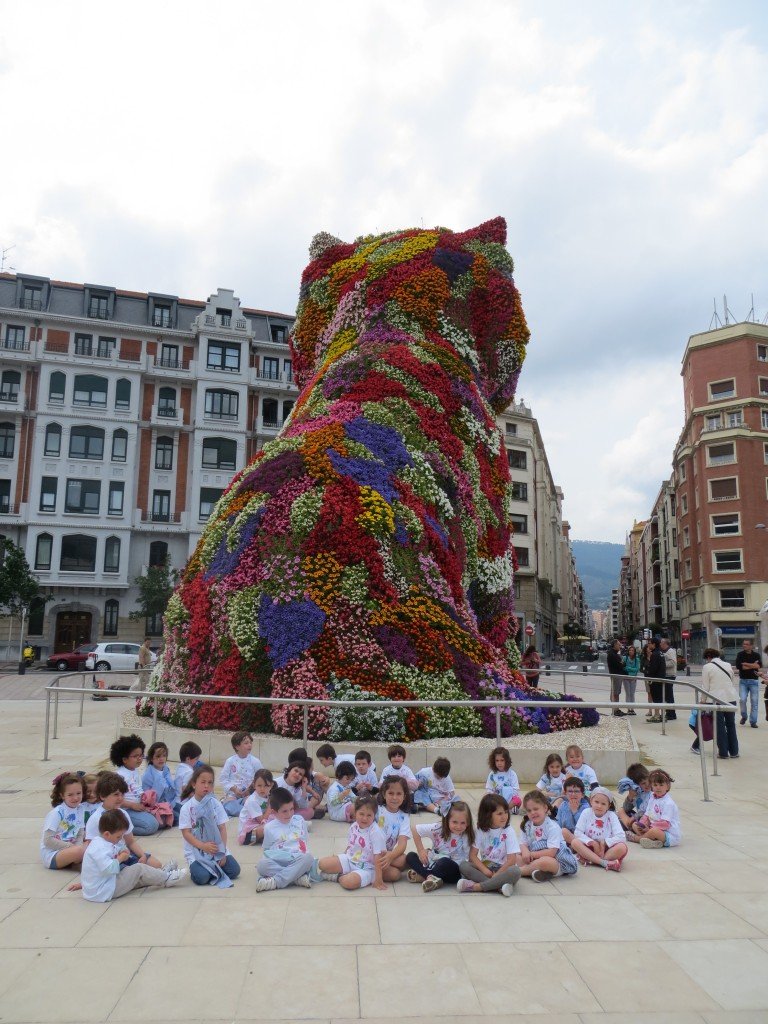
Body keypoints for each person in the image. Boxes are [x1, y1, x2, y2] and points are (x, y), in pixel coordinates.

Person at [70, 810, 184, 902]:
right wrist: (121, 858)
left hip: (102, 887)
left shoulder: (104, 841)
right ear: (107, 834)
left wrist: (123, 850)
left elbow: (117, 848)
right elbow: (109, 869)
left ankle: (162, 874)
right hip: (103, 891)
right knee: (138, 868)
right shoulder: (99, 848)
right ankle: (166, 878)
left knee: (138, 877)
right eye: (119, 837)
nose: (120, 839)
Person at [179, 766, 241, 886]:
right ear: (194, 784)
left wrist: (222, 852)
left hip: (216, 848)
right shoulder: (186, 808)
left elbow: (222, 828)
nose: (206, 786)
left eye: (210, 783)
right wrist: (203, 846)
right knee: (202, 878)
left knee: (234, 871)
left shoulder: (216, 804)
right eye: (203, 782)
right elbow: (186, 833)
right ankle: (201, 869)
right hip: (196, 850)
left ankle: (213, 868)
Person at [312, 794, 387, 890]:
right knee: (322, 864)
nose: (365, 818)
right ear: (355, 813)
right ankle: (345, 872)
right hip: (350, 859)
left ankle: (337, 877)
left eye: (369, 815)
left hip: (367, 868)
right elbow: (350, 845)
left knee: (348, 883)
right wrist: (341, 858)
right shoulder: (354, 826)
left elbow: (378, 856)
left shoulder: (375, 832)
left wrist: (379, 879)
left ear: (374, 815)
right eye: (361, 814)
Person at [457, 793, 521, 896]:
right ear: (487, 814)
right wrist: (485, 871)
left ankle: (478, 887)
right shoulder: (480, 831)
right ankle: (499, 886)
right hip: (486, 867)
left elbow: (512, 860)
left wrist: (498, 874)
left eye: (505, 812)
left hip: (504, 869)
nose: (504, 816)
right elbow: (472, 856)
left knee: (515, 871)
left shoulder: (509, 831)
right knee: (464, 865)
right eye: (499, 814)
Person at [406, 800, 474, 892]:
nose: (459, 826)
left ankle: (423, 876)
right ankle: (429, 877)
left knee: (444, 862)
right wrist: (421, 850)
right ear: (447, 819)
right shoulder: (438, 828)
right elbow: (415, 829)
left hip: (453, 871)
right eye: (455, 822)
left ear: (468, 822)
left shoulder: (467, 835)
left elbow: (470, 859)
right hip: (434, 863)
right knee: (410, 856)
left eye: (463, 823)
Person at [255, 788, 314, 891]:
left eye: (291, 809)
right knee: (261, 866)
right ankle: (297, 877)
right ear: (274, 812)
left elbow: (304, 840)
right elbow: (267, 850)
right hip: (279, 860)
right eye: (284, 811)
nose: (289, 814)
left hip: (298, 858)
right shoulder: (269, 827)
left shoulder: (299, 820)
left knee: (308, 858)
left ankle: (275, 882)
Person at [518, 790, 579, 882]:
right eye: (529, 810)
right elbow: (523, 843)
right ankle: (538, 872)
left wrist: (531, 854)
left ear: (545, 808)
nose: (533, 812)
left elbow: (552, 852)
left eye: (536, 809)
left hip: (555, 860)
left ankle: (517, 872)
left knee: (545, 862)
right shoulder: (527, 825)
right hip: (533, 857)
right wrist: (525, 851)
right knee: (514, 856)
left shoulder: (552, 826)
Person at [108, 734, 159, 836]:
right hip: (125, 810)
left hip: (138, 807)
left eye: (141, 755)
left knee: (164, 818)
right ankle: (121, 830)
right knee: (151, 826)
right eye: (135, 756)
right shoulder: (120, 775)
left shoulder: (134, 770)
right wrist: (132, 805)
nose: (139, 759)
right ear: (124, 759)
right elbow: (113, 799)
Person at [571, 786, 628, 871]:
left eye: (603, 804)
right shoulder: (586, 812)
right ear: (591, 801)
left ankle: (592, 860)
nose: (599, 806)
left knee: (622, 847)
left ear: (608, 806)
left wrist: (604, 842)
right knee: (575, 842)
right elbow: (578, 833)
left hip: (607, 849)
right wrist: (593, 843)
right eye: (596, 802)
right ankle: (605, 863)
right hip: (590, 848)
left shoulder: (611, 816)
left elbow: (621, 836)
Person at [40, 773, 87, 870]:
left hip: (73, 849)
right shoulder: (56, 813)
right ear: (62, 795)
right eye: (70, 795)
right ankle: (81, 863)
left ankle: (78, 861)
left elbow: (80, 834)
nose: (75, 798)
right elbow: (48, 840)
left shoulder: (80, 809)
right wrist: (72, 847)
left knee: (94, 841)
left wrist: (78, 846)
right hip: (53, 855)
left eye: (78, 793)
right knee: (82, 850)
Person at [699, 648, 739, 758]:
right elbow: (732, 680)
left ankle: (723, 752)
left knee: (719, 726)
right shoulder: (727, 664)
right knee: (731, 724)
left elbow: (705, 687)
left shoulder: (707, 667)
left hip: (715, 699)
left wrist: (703, 700)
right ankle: (734, 751)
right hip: (731, 698)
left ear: (708, 657)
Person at [630, 769, 680, 849]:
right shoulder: (652, 797)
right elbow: (647, 814)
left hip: (668, 834)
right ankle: (654, 842)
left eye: (661, 785)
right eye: (655, 785)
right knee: (635, 825)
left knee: (654, 831)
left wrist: (649, 828)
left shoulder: (668, 803)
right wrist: (643, 824)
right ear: (651, 786)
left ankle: (638, 839)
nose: (658, 788)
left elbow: (665, 824)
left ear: (667, 786)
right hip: (653, 827)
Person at [375, 776, 412, 881]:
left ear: (404, 796)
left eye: (399, 794)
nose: (395, 797)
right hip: (371, 851)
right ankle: (370, 869)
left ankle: (380, 865)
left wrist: (391, 856)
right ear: (384, 794)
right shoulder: (377, 810)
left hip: (386, 853)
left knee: (404, 860)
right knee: (395, 875)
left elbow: (402, 844)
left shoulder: (404, 816)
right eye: (391, 793)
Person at [220, 732, 263, 816]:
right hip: (233, 793)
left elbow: (261, 777)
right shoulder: (230, 761)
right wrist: (234, 789)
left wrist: (250, 789)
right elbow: (223, 778)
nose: (249, 745)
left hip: (249, 794)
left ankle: (244, 809)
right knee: (230, 805)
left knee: (251, 802)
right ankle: (246, 811)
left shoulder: (255, 761)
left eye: (250, 742)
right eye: (246, 743)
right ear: (237, 746)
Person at [142, 742, 179, 824]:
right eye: (158, 756)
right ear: (151, 758)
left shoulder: (166, 769)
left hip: (169, 803)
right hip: (158, 806)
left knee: (185, 810)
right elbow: (147, 797)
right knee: (178, 818)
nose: (161, 759)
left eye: (164, 756)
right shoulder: (148, 775)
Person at [238, 769, 275, 844]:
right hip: (248, 834)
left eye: (266, 785)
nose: (262, 789)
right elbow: (261, 820)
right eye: (259, 785)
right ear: (254, 785)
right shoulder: (252, 800)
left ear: (271, 785)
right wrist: (270, 806)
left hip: (258, 826)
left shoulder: (267, 796)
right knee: (271, 826)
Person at [735, 638, 763, 728]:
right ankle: (744, 716)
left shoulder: (756, 655)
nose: (744, 646)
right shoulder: (740, 655)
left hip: (754, 681)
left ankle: (753, 721)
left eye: (746, 644)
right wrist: (752, 665)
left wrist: (746, 664)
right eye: (743, 644)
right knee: (742, 700)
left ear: (751, 646)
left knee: (754, 702)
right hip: (743, 681)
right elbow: (740, 667)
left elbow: (759, 666)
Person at [485, 745, 521, 812]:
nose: (499, 763)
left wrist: (507, 795)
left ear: (507, 761)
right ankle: (505, 809)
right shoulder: (492, 774)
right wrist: (492, 795)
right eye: (497, 760)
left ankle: (506, 808)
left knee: (517, 800)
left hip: (509, 799)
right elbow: (489, 789)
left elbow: (516, 789)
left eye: (502, 760)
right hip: (496, 799)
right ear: (493, 761)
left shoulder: (512, 774)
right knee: (486, 799)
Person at [556, 777, 590, 845]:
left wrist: (575, 812)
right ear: (565, 793)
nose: (573, 794)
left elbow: (585, 828)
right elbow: (558, 823)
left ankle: (578, 848)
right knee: (561, 831)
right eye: (570, 791)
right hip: (564, 838)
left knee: (564, 831)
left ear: (582, 794)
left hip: (581, 839)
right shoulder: (563, 805)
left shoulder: (586, 808)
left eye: (576, 791)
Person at [645, 638, 667, 723]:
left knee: (656, 698)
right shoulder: (661, 653)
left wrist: (649, 676)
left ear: (654, 644)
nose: (648, 645)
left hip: (655, 679)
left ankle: (657, 715)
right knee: (661, 698)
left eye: (650, 643)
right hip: (661, 678)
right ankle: (662, 715)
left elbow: (653, 668)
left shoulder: (654, 654)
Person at [659, 638, 677, 720]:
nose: (660, 645)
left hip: (670, 675)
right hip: (666, 675)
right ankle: (669, 712)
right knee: (667, 695)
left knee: (669, 695)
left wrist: (662, 664)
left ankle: (671, 714)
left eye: (661, 643)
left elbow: (673, 663)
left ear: (665, 644)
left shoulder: (670, 651)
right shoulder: (665, 651)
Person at [607, 640, 625, 716]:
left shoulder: (614, 653)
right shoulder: (612, 654)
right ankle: (615, 709)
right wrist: (622, 662)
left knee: (616, 692)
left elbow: (622, 663)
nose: (620, 646)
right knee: (615, 693)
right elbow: (621, 664)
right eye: (618, 645)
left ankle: (616, 709)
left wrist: (622, 662)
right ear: (614, 645)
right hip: (616, 675)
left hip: (617, 675)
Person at [622, 644, 641, 715]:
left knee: (632, 694)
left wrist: (629, 668)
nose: (631, 651)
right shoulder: (624, 658)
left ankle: (632, 709)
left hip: (633, 678)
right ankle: (628, 709)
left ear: (634, 651)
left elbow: (637, 669)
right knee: (628, 693)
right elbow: (623, 668)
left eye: (632, 650)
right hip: (626, 678)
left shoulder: (637, 659)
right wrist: (630, 669)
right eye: (630, 650)